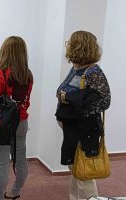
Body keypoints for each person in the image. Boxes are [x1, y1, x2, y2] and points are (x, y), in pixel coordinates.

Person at [55, 30, 111, 200]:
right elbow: (62, 92)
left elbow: (104, 101)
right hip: (72, 126)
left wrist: (71, 101)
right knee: (75, 168)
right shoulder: (77, 69)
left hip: (84, 128)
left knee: (84, 171)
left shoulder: (94, 72)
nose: (68, 45)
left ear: (79, 46)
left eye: (70, 42)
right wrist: (67, 98)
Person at [0, 36, 33, 200]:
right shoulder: (28, 75)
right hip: (21, 124)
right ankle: (15, 192)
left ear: (4, 52)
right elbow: (26, 101)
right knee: (21, 161)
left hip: (2, 126)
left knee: (2, 165)